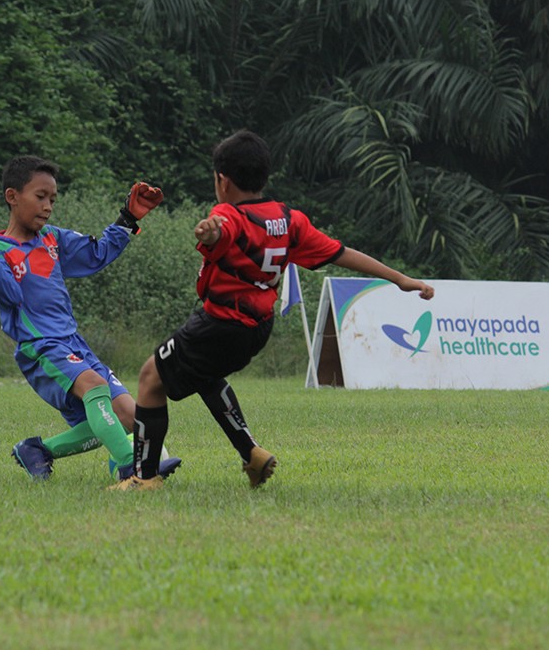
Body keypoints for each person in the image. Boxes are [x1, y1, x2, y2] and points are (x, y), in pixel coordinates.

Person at [115, 129, 435, 491]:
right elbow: (340, 253)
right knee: (203, 374)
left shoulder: (228, 214)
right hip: (256, 330)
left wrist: (211, 233)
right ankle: (252, 454)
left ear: (222, 180)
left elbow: (223, 230)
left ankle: (144, 478)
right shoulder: (288, 219)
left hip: (219, 323)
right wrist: (399, 278)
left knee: (149, 379)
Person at [0, 155, 182, 483]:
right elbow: (9, 294)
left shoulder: (52, 239)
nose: (48, 205)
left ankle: (38, 450)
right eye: (40, 196)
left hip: (74, 343)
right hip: (41, 347)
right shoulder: (0, 250)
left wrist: (128, 217)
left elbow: (95, 254)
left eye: (52, 199)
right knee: (95, 386)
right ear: (12, 196)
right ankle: (129, 467)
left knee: (132, 418)